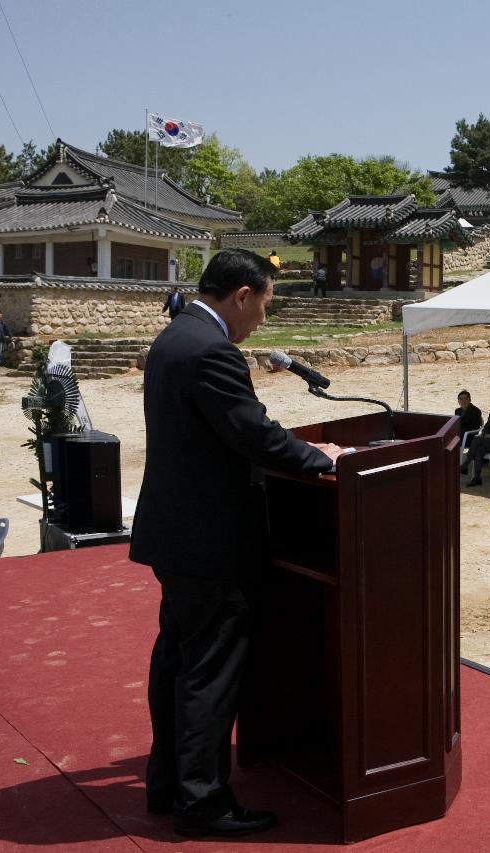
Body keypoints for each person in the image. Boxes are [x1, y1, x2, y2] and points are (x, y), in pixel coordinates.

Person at [130, 249, 342, 838]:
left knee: (176, 659)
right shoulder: (211, 350)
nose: (264, 320)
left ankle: (167, 782)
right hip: (210, 539)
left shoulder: (177, 336)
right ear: (242, 294)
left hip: (175, 533)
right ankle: (202, 804)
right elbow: (252, 433)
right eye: (266, 304)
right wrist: (320, 460)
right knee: (208, 671)